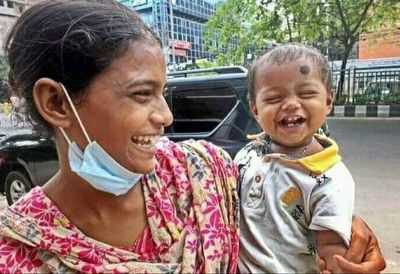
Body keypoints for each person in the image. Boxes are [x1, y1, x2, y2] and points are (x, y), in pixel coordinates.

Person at [0, 1, 385, 273]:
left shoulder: (202, 172)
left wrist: (341, 225)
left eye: (162, 94)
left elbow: (281, 200)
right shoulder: (19, 252)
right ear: (57, 103)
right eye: (140, 94)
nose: (166, 116)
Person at [235, 44, 383, 273]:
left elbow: (332, 251)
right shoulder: (249, 153)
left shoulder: (330, 179)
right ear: (255, 109)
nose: (291, 104)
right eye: (274, 98)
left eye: (306, 94)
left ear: (328, 102)